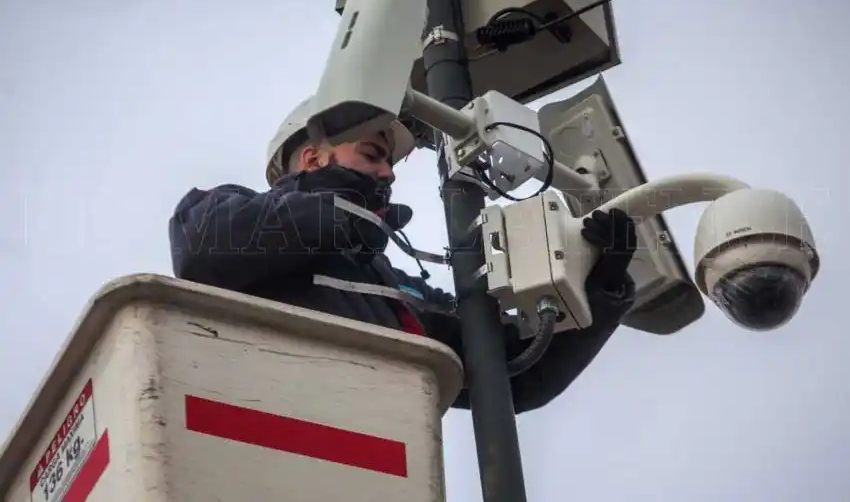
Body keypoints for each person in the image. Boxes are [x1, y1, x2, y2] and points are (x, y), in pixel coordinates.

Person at [168, 96, 638, 414]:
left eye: (390, 162)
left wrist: (602, 288)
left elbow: (515, 372)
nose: (389, 174)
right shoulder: (226, 212)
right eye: (373, 154)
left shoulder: (399, 296)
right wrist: (342, 213)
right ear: (313, 159)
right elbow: (199, 250)